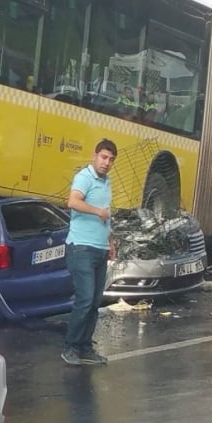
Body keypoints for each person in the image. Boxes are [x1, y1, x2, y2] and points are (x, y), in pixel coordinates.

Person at [62, 138, 116, 366]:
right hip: (81, 247)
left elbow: (106, 214)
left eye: (111, 159)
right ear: (94, 156)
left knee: (95, 301)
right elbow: (72, 202)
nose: (106, 163)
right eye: (103, 157)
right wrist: (96, 212)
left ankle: (85, 347)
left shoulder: (106, 182)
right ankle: (71, 347)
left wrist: (111, 241)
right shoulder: (84, 177)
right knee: (84, 299)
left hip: (100, 249)